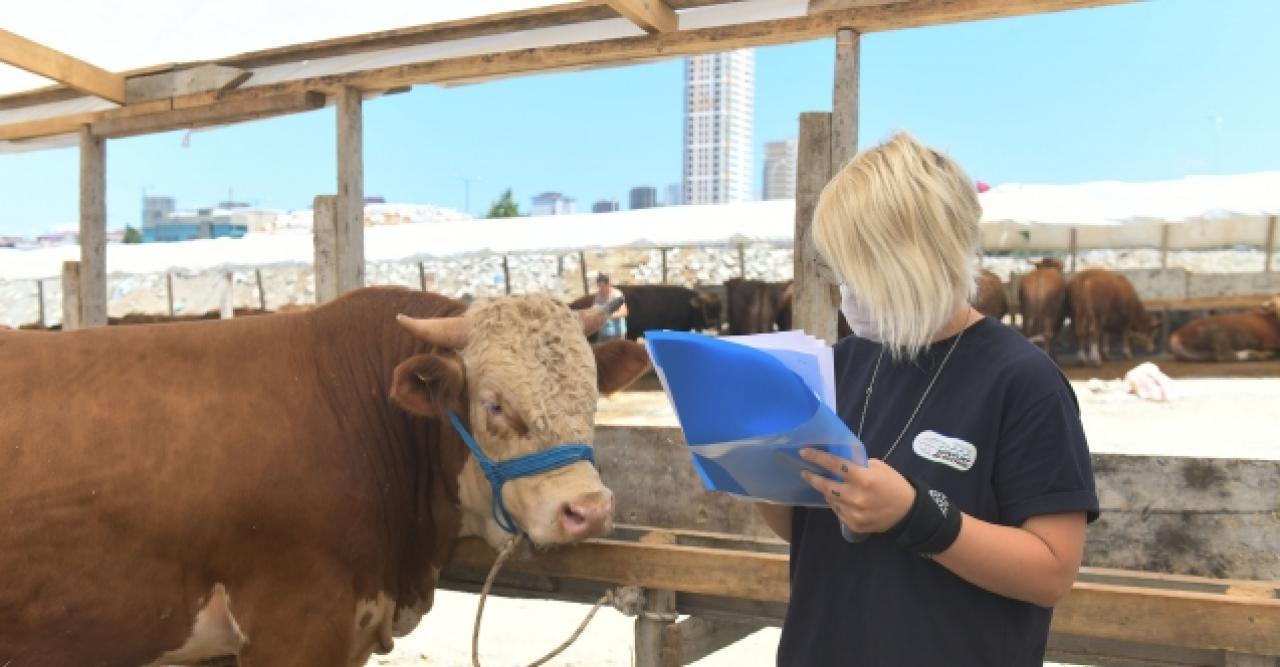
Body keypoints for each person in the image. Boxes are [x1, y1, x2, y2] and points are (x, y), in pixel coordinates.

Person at [755, 132, 1098, 666]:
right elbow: (804, 529)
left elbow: (1051, 571)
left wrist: (915, 514)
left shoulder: (1023, 381)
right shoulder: (842, 364)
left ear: (922, 259)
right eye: (842, 267)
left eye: (862, 267)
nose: (848, 288)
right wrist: (749, 464)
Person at [593, 273, 628, 341]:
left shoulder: (617, 295)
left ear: (608, 284)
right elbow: (594, 307)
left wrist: (608, 315)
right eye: (599, 286)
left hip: (617, 333)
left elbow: (624, 312)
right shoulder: (598, 295)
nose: (600, 289)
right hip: (603, 332)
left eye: (602, 286)